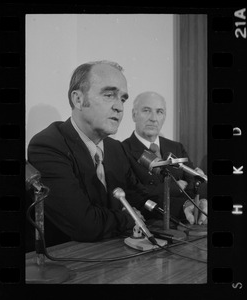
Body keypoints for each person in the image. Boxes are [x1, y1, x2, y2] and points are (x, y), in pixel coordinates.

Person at [27, 61, 159, 249]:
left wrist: (183, 207)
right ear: (78, 100)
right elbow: (84, 224)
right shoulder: (47, 145)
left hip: (114, 254)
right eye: (109, 95)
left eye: (122, 98)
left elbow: (137, 196)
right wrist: (127, 218)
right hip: (71, 260)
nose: (120, 107)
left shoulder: (115, 148)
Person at [122, 91, 207, 225]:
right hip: (152, 225)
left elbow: (194, 183)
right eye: (146, 110)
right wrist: (176, 187)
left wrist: (197, 201)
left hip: (189, 221)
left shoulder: (176, 147)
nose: (153, 118)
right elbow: (137, 196)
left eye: (159, 112)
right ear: (134, 115)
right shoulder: (122, 150)